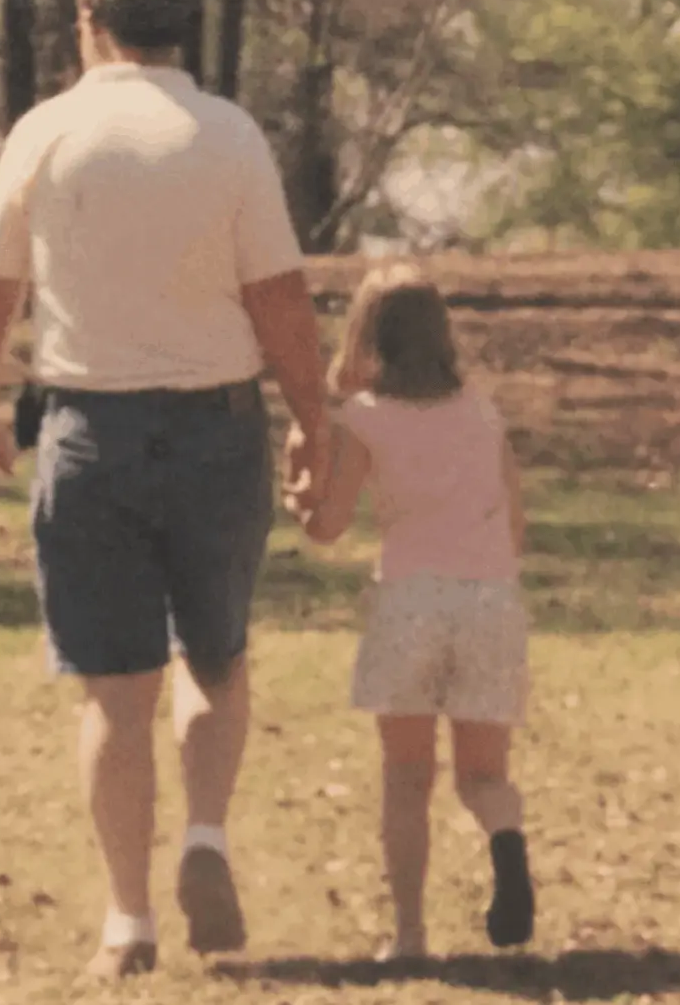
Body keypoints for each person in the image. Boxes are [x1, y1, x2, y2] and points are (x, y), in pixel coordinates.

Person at [0, 0, 332, 980]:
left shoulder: (47, 133)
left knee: (113, 692)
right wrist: (316, 420)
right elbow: (281, 299)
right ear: (180, 29)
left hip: (88, 430)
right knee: (214, 655)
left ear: (88, 24)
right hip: (214, 425)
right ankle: (205, 835)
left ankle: (127, 921)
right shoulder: (226, 135)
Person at [285, 264, 537, 960]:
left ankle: (409, 934)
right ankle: (505, 839)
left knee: (405, 777)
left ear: (366, 336)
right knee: (484, 776)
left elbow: (330, 524)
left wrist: (298, 496)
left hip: (411, 601)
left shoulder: (362, 421)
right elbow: (515, 522)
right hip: (490, 599)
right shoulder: (483, 412)